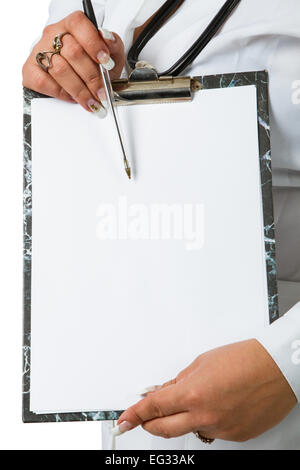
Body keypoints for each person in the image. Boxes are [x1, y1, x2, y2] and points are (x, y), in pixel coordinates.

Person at [22, 0, 300, 450]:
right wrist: (55, 66)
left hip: (274, 401)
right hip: (129, 393)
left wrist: (288, 365)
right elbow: (65, 81)